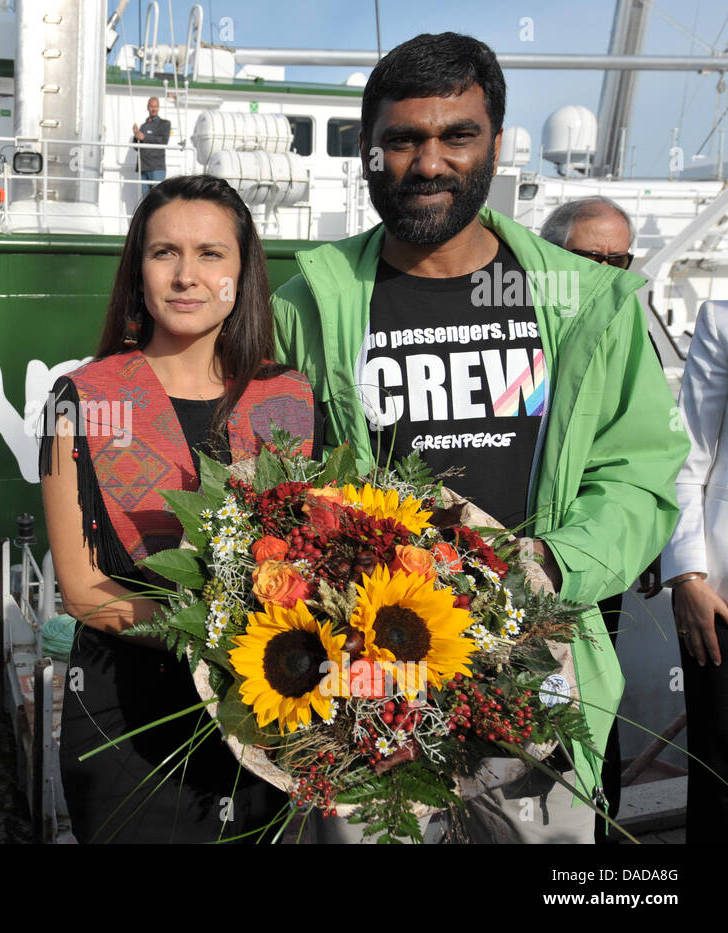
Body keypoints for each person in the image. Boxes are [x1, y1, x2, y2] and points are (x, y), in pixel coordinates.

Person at [270, 32, 689, 843]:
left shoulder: (582, 303)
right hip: (365, 692)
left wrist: (551, 567)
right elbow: (269, 484)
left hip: (533, 679)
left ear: (495, 142)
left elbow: (638, 477)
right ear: (369, 150)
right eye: (403, 139)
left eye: (456, 135)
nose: (429, 162)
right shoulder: (306, 307)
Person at [39, 173, 322, 843]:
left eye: (210, 254)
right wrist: (211, 633)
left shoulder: (290, 398)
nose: (186, 275)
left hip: (260, 712)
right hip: (125, 717)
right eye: (165, 252)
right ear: (138, 272)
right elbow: (80, 589)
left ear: (242, 274)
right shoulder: (77, 399)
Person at [539, 195, 662, 842]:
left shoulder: (625, 323)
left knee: (593, 704)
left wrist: (641, 550)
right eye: (594, 258)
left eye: (622, 259)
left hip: (591, 565)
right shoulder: (524, 325)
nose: (612, 272)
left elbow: (644, 456)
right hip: (531, 558)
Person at [660, 299, 728, 843]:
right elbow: (688, 460)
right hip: (720, 601)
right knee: (718, 771)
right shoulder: (724, 319)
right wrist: (687, 576)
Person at [132, 97, 171, 197]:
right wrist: (136, 135)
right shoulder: (143, 126)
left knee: (157, 198)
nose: (154, 109)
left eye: (156, 106)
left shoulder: (165, 124)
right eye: (151, 106)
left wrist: (144, 137)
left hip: (156, 167)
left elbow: (163, 141)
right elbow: (136, 147)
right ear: (148, 107)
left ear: (158, 108)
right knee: (145, 199)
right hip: (143, 167)